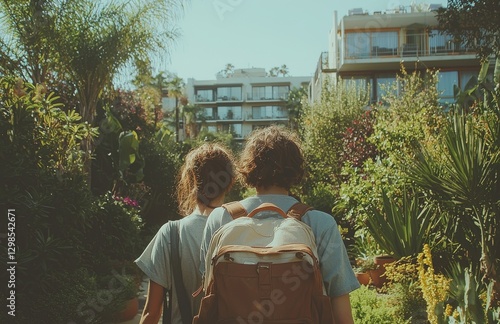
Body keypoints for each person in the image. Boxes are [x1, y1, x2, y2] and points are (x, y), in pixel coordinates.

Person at [200, 125, 359, 323]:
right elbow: (340, 302)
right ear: (296, 169)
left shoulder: (220, 219)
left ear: (248, 167)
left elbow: (208, 291)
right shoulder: (321, 223)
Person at [136, 142, 235, 324]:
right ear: (229, 182)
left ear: (192, 180)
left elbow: (151, 313)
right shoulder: (240, 231)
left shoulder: (171, 234)